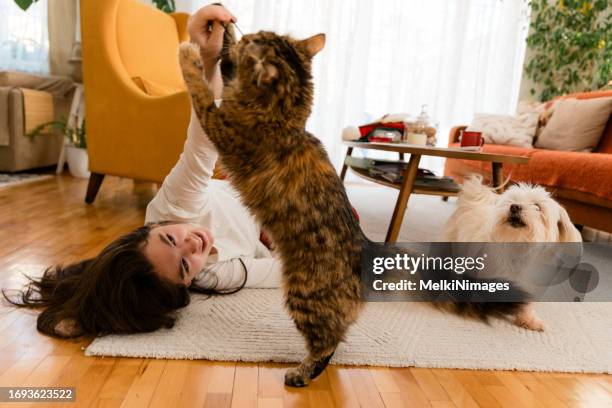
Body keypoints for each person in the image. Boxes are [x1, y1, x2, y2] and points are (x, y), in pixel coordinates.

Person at [3, 4, 282, 339]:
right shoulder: (216, 275)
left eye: (169, 239)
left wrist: (208, 57)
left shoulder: (174, 208)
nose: (193, 245)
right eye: (183, 265)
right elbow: (286, 272)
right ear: (185, 285)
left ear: (152, 228)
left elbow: (205, 139)